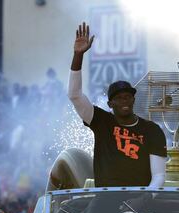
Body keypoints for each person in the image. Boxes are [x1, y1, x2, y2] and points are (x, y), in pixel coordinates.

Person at [68, 22, 167, 187]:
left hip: (140, 198)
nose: (124, 101)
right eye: (119, 98)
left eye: (128, 97)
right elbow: (74, 95)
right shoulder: (101, 121)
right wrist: (78, 55)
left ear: (134, 99)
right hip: (105, 198)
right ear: (110, 104)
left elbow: (159, 176)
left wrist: (144, 197)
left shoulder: (151, 130)